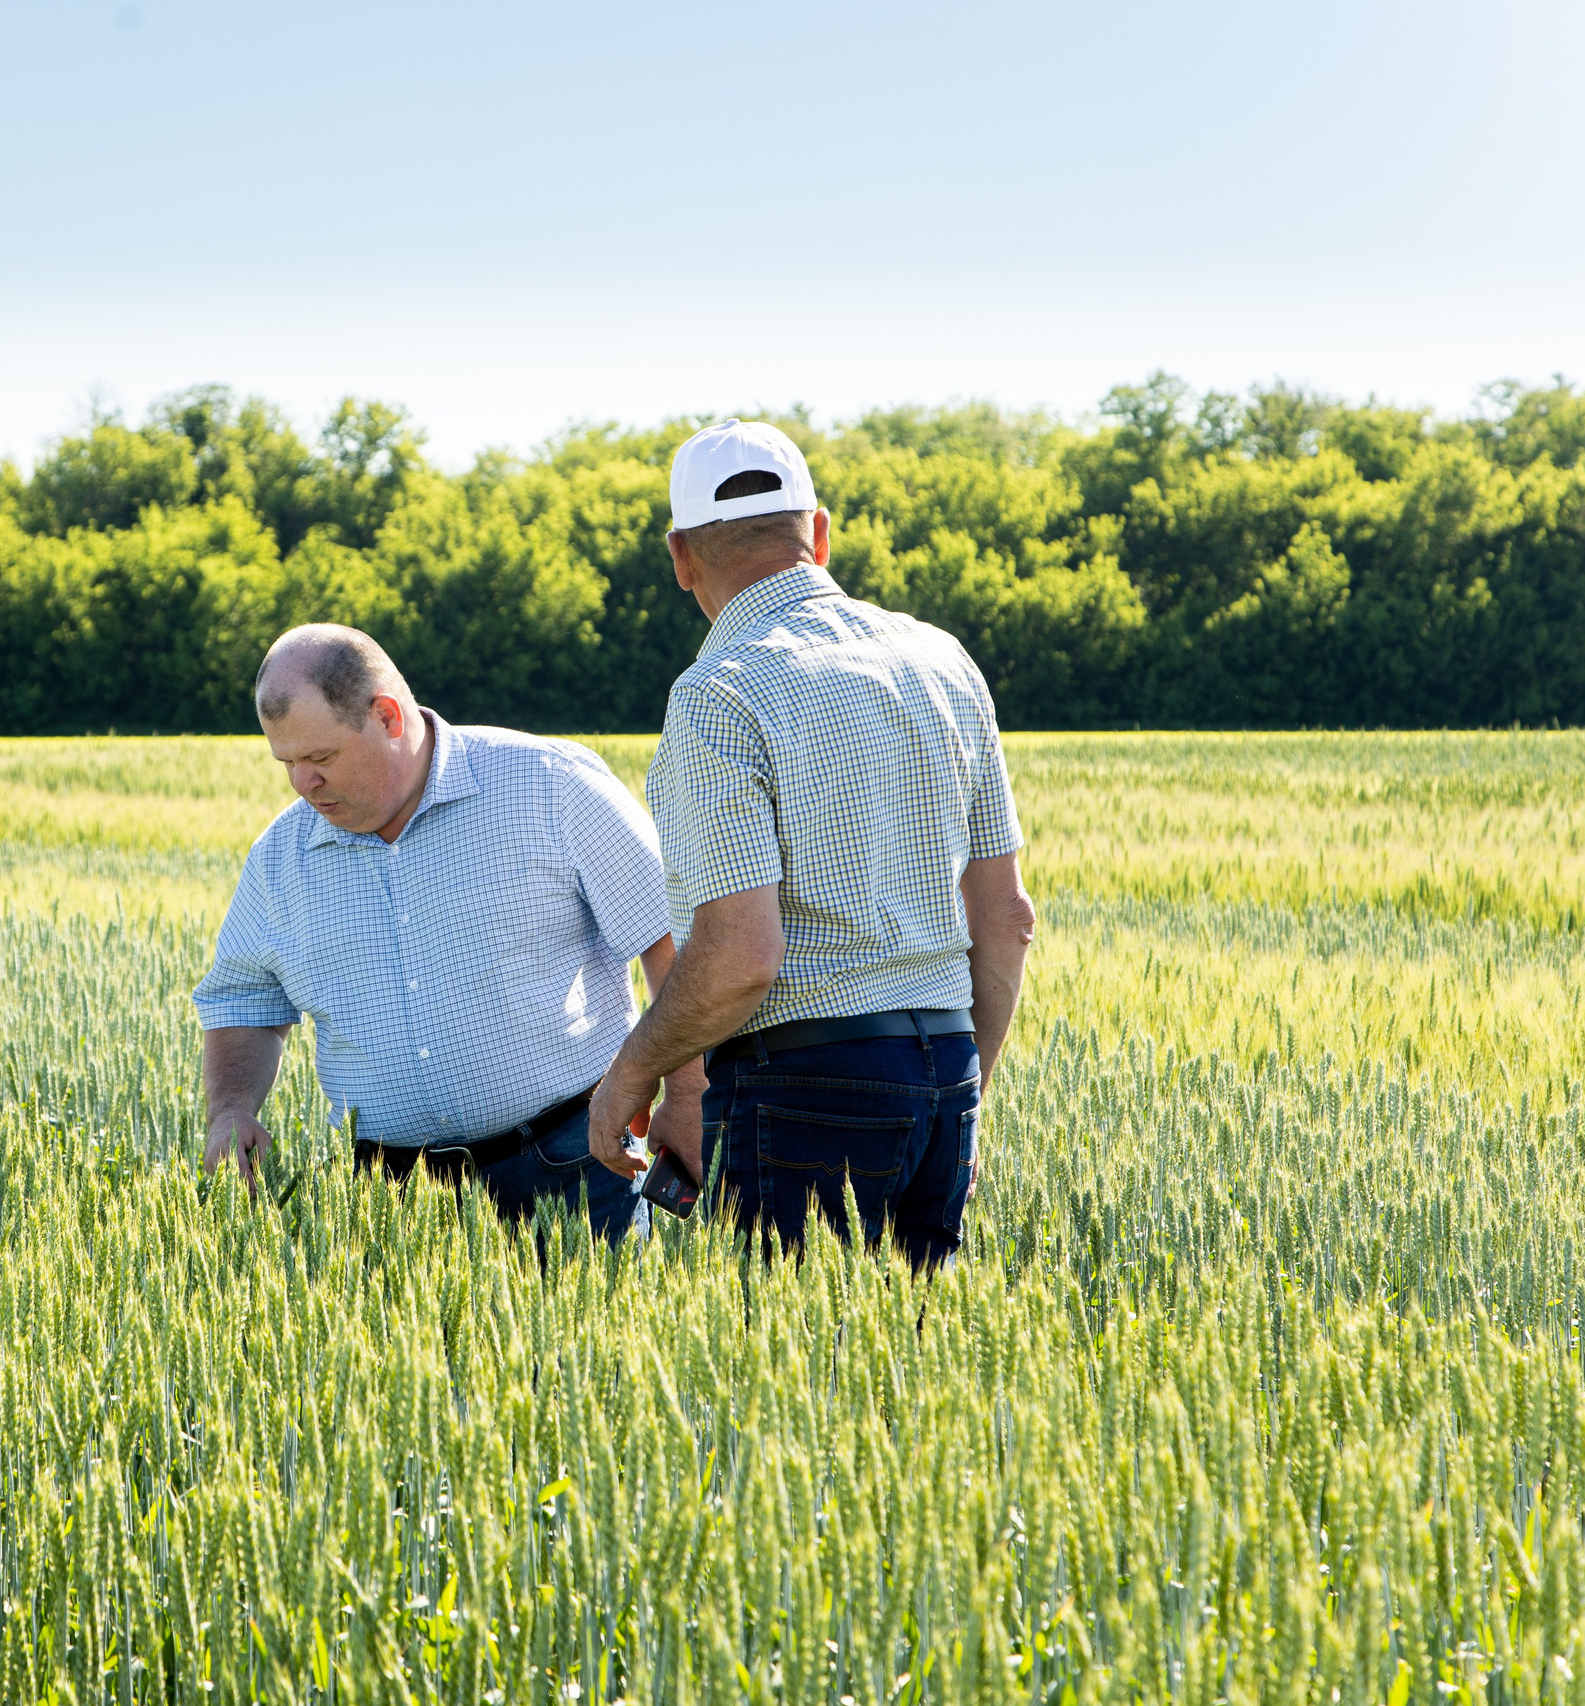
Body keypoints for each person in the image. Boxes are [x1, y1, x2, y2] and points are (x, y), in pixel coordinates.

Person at [584, 420, 1036, 1267]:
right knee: (917, 1375)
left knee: (794, 1380)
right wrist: (959, 1094)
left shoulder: (720, 693)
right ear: (819, 531)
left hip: (802, 1084)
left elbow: (740, 955)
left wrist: (629, 1074)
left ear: (681, 556)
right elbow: (1007, 916)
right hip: (947, 1065)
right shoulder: (944, 661)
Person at [192, 624, 708, 1241]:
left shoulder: (549, 785)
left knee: (601, 1339)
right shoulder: (282, 856)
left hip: (574, 1164)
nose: (303, 783)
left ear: (387, 716)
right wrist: (230, 1110)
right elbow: (243, 1000)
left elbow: (669, 942)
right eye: (288, 763)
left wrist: (687, 1093)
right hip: (390, 1200)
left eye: (321, 757)